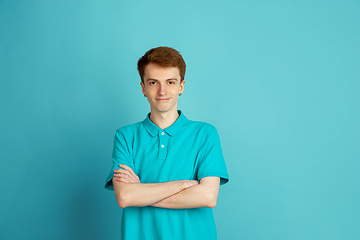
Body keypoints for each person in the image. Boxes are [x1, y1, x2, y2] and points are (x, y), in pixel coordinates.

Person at [105, 46, 229, 240]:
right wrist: (184, 185)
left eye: (170, 82)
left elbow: (207, 196)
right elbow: (125, 197)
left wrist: (141, 191)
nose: (162, 91)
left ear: (181, 86)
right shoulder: (125, 136)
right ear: (143, 87)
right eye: (153, 82)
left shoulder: (205, 133)